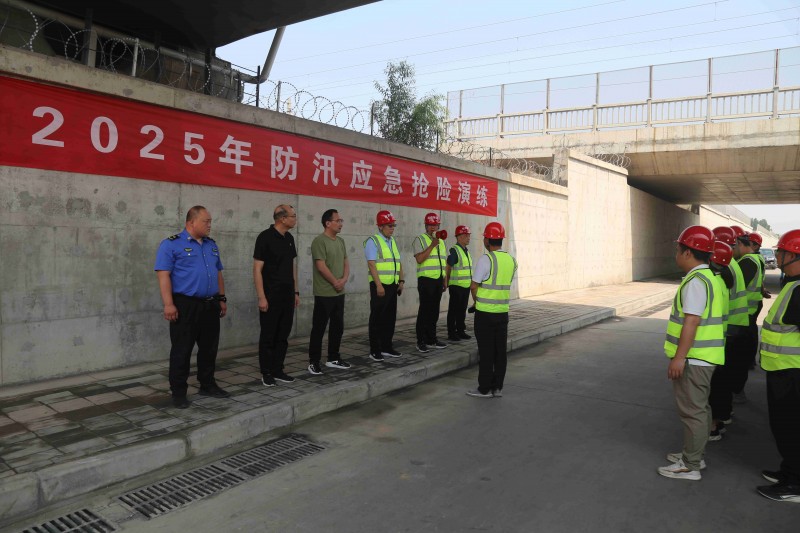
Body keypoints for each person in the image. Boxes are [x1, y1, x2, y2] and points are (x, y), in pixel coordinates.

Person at [658, 225, 725, 481]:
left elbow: (692, 321)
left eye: (678, 249)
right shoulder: (710, 278)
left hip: (695, 358)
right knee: (700, 409)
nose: (676, 254)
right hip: (704, 357)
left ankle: (690, 465)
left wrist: (679, 358)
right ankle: (694, 454)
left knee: (692, 411)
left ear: (688, 252)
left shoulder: (696, 282)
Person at [154, 206, 230, 409]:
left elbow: (218, 273)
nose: (209, 225)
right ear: (191, 222)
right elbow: (163, 275)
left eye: (210, 221)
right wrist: (168, 304)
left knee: (209, 348)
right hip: (185, 305)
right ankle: (179, 392)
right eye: (206, 221)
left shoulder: (211, 245)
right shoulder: (171, 244)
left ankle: (207, 384)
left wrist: (221, 298)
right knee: (182, 350)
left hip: (210, 304)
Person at [756, 229, 800, 503]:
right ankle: (789, 471)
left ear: (794, 255)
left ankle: (795, 484)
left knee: (790, 428)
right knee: (784, 426)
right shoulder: (792, 285)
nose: (778, 256)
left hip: (792, 373)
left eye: (782, 252)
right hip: (782, 370)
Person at [467, 222, 517, 398]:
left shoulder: (486, 259)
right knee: (500, 352)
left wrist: (476, 302)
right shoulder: (512, 260)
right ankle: (497, 388)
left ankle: (485, 388)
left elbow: (474, 286)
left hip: (485, 314)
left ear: (487, 240)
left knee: (486, 352)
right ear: (501, 239)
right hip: (502, 313)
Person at [253, 204, 300, 386]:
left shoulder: (289, 238)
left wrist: (295, 291)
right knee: (268, 335)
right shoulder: (264, 237)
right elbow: (257, 269)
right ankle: (266, 372)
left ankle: (278, 369)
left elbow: (291, 266)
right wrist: (261, 297)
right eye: (293, 216)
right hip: (270, 295)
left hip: (287, 295)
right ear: (282, 218)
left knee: (283, 335)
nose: (295, 219)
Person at [308, 209, 351, 375]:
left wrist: (344, 280)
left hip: (339, 292)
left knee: (337, 327)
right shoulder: (319, 241)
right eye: (337, 220)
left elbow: (346, 262)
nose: (340, 224)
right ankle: (314, 361)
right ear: (327, 223)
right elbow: (321, 266)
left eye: (341, 221)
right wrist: (335, 282)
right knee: (319, 328)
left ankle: (333, 358)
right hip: (324, 293)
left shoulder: (341, 241)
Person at [706, 237, 740, 441]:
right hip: (719, 343)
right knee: (720, 385)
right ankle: (718, 422)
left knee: (714, 389)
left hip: (711, 347)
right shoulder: (722, 281)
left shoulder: (713, 283)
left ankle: (712, 427)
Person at [364, 210, 405, 361]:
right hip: (380, 286)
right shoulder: (373, 241)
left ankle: (387, 347)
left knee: (389, 318)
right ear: (380, 226)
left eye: (393, 225)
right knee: (377, 318)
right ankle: (375, 350)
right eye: (389, 225)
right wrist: (378, 285)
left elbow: (398, 262)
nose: (392, 228)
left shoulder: (392, 241)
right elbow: (371, 264)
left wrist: (401, 281)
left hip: (393, 285)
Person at [730, 226, 764, 401]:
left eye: (732, 246)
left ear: (739, 243)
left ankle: (737, 391)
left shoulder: (746, 262)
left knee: (738, 356)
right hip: (749, 311)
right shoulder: (754, 259)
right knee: (743, 353)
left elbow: (734, 288)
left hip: (744, 314)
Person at [413, 212, 448, 353]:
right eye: (430, 225)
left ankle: (432, 339)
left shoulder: (441, 241)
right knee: (424, 311)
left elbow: (443, 262)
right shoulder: (419, 239)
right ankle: (420, 341)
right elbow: (419, 259)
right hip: (426, 280)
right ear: (426, 226)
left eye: (436, 225)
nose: (433, 228)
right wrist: (432, 245)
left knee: (434, 311)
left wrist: (444, 279)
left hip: (438, 280)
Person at [445, 225, 474, 342]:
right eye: (466, 235)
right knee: (453, 310)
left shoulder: (466, 251)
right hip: (456, 286)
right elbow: (448, 266)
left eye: (469, 235)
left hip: (465, 285)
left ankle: (461, 331)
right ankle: (451, 333)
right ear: (459, 237)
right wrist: (446, 281)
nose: (468, 238)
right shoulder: (454, 250)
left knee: (462, 310)